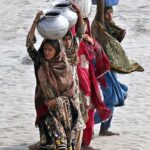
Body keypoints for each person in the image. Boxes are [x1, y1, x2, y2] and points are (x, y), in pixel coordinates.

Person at [26, 11, 79, 150]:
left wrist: (56, 101)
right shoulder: (40, 62)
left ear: (56, 51)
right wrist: (36, 21)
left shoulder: (64, 66)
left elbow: (70, 92)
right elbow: (29, 44)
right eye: (45, 49)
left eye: (50, 50)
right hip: (45, 108)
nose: (46, 52)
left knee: (64, 144)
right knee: (50, 143)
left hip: (63, 111)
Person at [92, 0, 144, 136]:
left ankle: (104, 129)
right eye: (106, 12)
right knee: (110, 99)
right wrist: (101, 3)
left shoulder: (110, 26)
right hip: (100, 66)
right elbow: (100, 10)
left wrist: (120, 35)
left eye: (111, 12)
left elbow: (112, 46)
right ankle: (87, 123)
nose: (109, 15)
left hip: (110, 66)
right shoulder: (98, 24)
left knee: (118, 95)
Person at [61, 3, 86, 150]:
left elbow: (81, 31)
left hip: (75, 91)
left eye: (68, 39)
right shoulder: (59, 53)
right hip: (62, 93)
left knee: (78, 124)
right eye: (64, 39)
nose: (67, 41)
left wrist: (78, 12)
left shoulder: (75, 46)